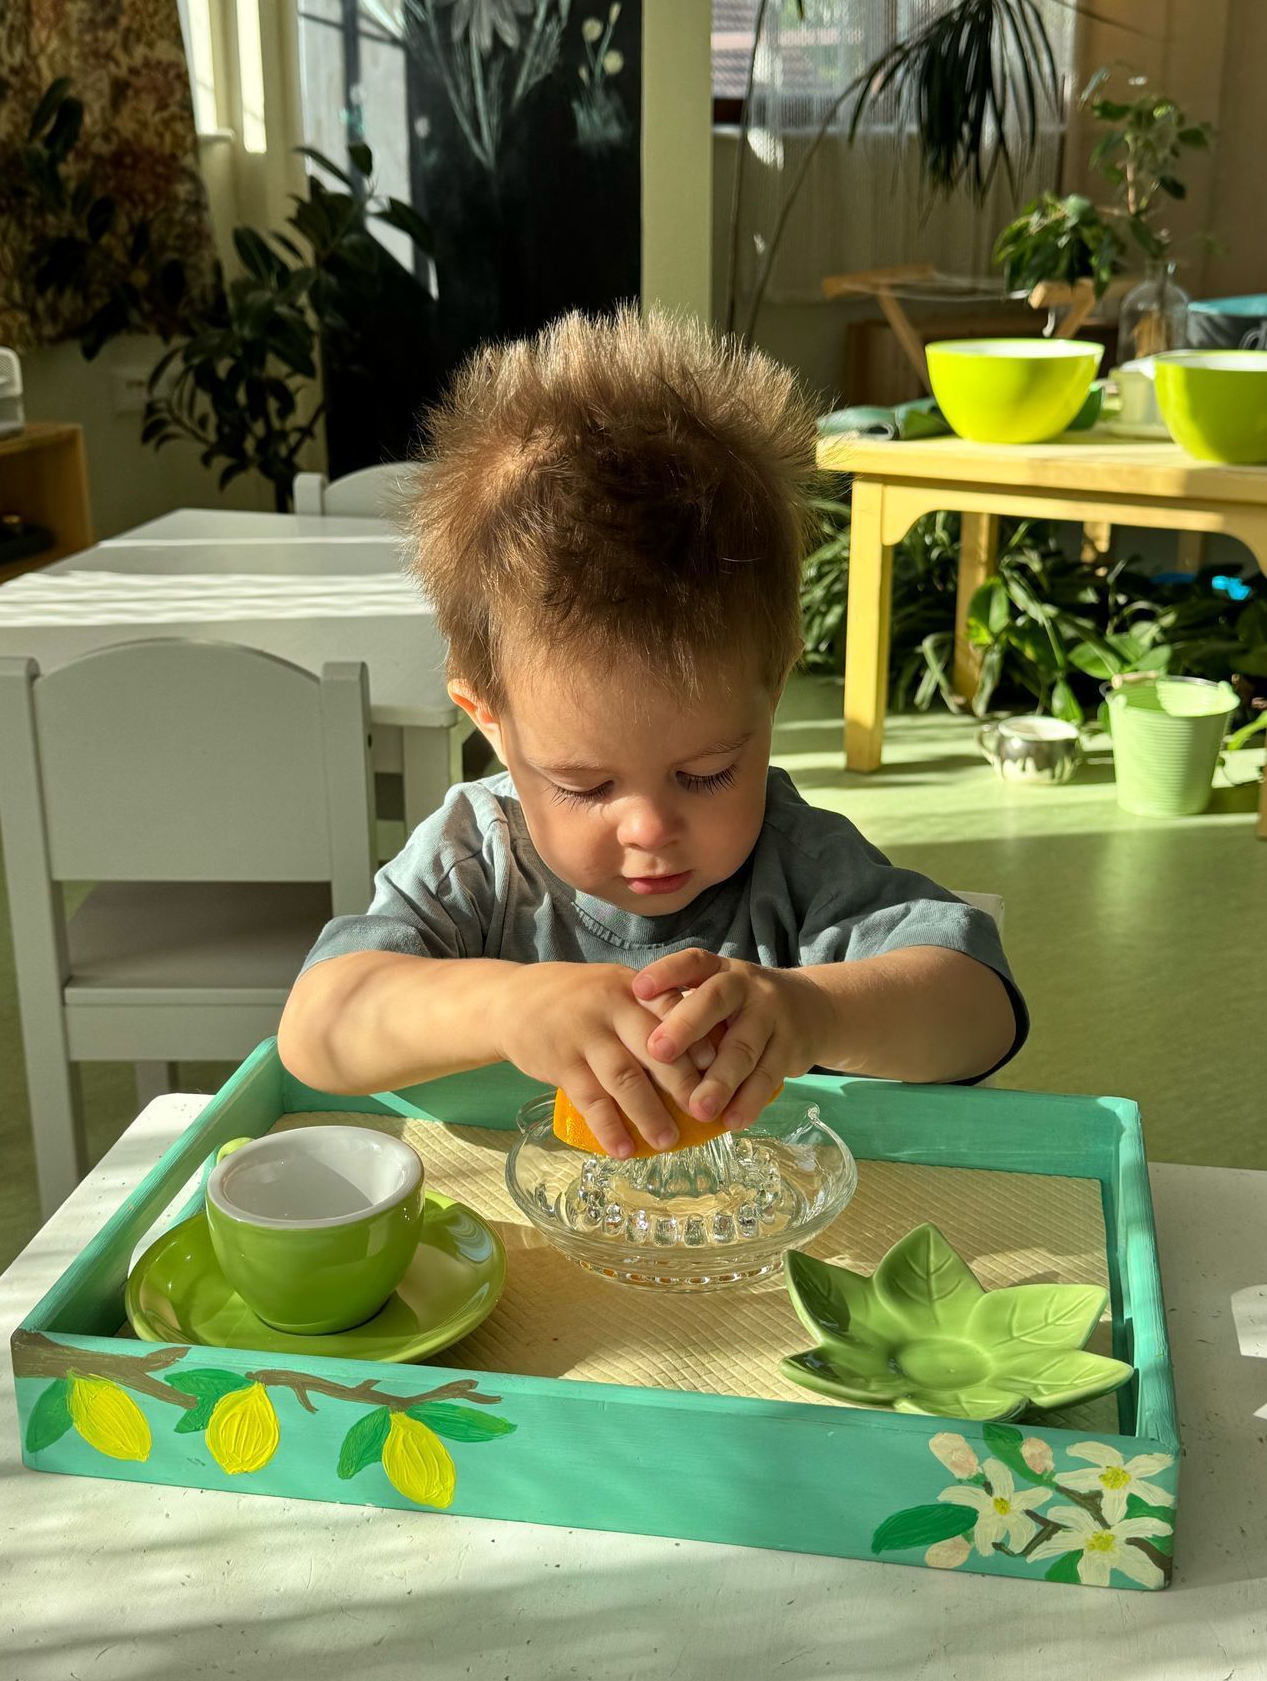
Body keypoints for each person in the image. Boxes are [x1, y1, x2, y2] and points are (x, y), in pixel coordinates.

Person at [278, 307, 1024, 1159]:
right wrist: (506, 1008)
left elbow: (980, 1008)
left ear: (773, 690)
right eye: (586, 786)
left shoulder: (797, 867)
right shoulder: (476, 861)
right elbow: (317, 1025)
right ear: (489, 719)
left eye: (706, 772)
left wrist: (813, 1011)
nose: (648, 828)